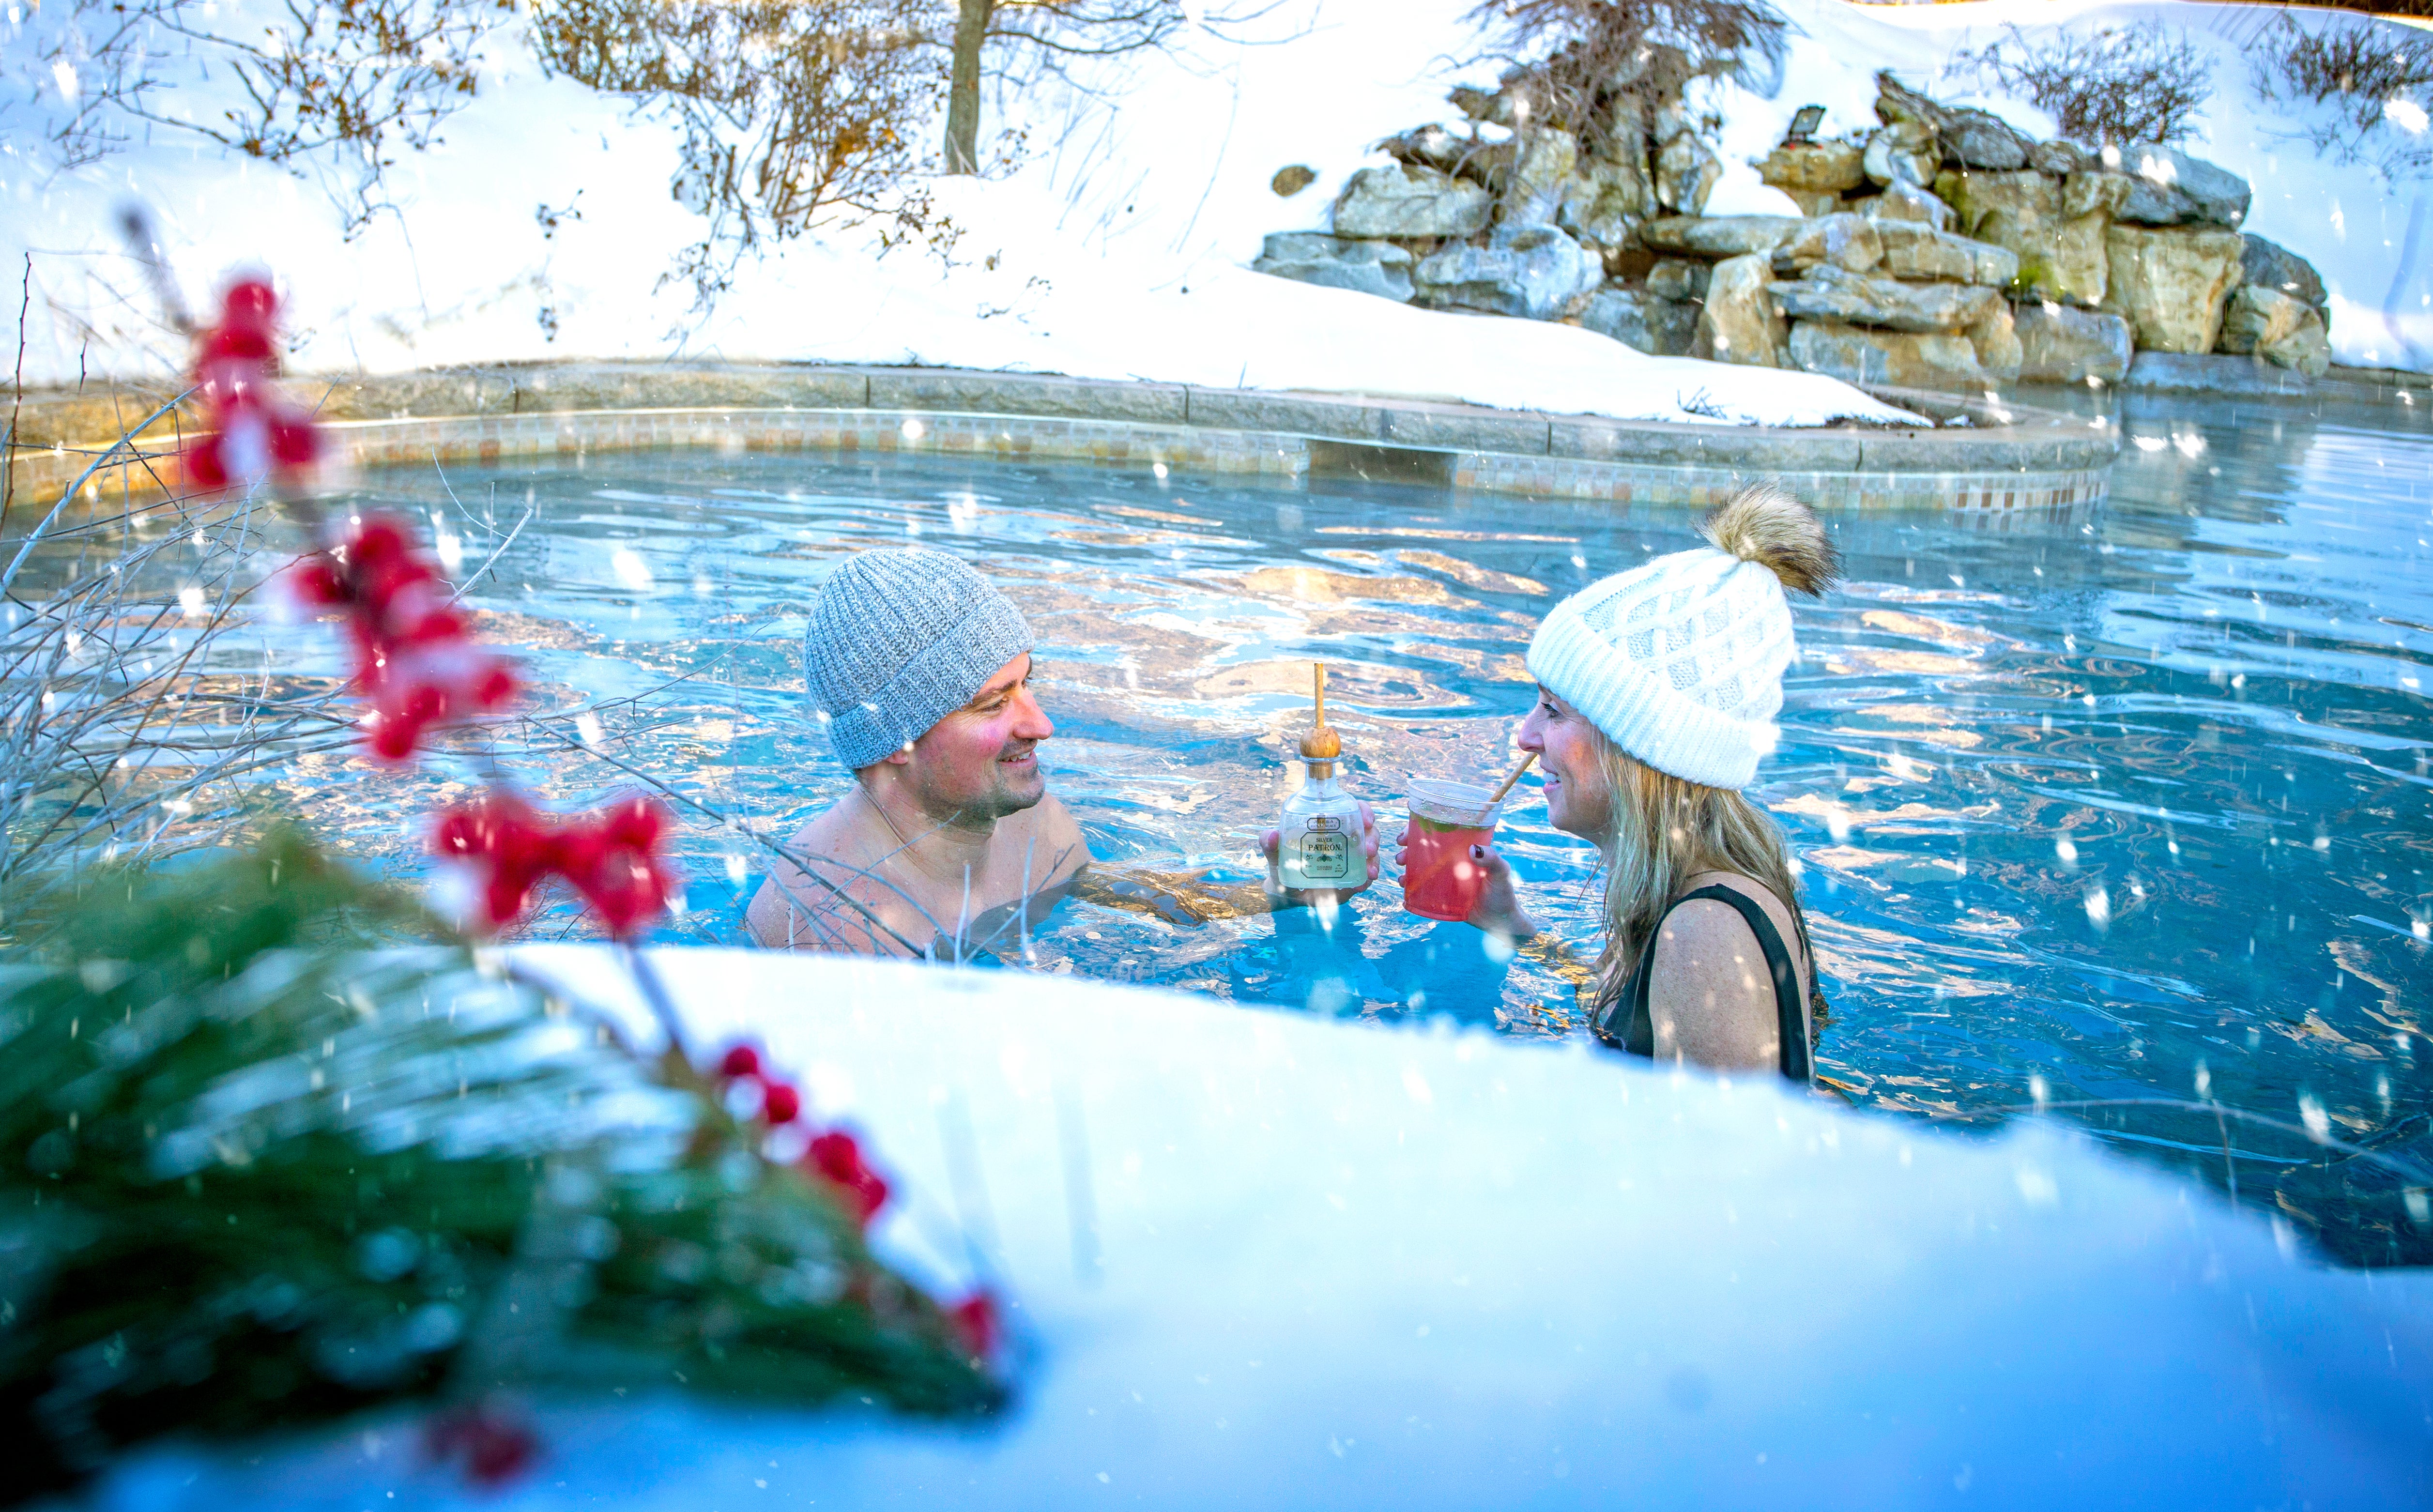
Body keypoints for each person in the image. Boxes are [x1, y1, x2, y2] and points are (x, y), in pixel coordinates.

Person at [1394, 484, 1836, 1081]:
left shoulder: (1702, 934)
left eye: (1553, 711)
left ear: (1640, 747)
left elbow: (1732, 1170)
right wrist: (1512, 927)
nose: (1525, 737)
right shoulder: (1694, 895)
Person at [746, 548, 1378, 957]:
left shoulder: (1029, 824)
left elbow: (1121, 894)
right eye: (995, 703)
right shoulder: (822, 924)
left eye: (1028, 683)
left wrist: (1284, 896)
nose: (1041, 724)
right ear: (894, 742)